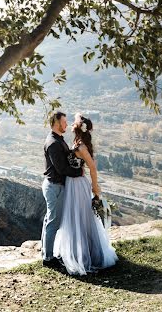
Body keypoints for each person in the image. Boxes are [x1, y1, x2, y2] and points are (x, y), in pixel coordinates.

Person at [53, 113, 118, 275]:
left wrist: (95, 188)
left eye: (73, 123)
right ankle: (79, 251)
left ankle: (84, 255)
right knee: (74, 217)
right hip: (72, 183)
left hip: (78, 185)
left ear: (77, 129)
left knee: (81, 218)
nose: (69, 125)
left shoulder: (81, 147)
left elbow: (92, 167)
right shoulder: (78, 143)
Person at [41, 111, 84, 268]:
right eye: (64, 122)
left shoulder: (58, 140)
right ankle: (48, 258)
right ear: (56, 123)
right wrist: (79, 172)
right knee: (53, 222)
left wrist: (73, 151)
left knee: (49, 220)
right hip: (55, 186)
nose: (66, 124)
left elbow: (64, 159)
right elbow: (61, 168)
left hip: (54, 185)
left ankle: (45, 253)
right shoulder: (53, 143)